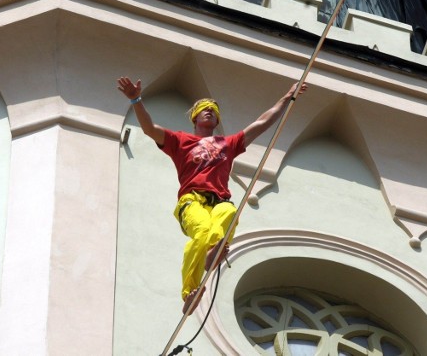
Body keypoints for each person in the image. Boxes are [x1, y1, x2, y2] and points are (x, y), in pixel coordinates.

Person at [117, 76, 307, 314]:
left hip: (219, 201)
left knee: (229, 212)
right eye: (203, 110)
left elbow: (260, 124)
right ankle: (189, 292)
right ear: (195, 117)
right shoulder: (180, 141)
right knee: (202, 233)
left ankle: (212, 253)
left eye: (213, 111)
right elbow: (149, 129)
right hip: (192, 200)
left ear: (217, 120)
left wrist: (287, 97)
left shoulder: (227, 143)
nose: (208, 112)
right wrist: (135, 99)